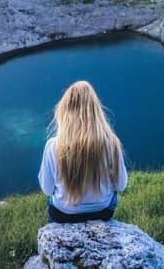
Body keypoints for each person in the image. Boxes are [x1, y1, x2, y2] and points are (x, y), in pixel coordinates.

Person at [38, 80, 128, 223]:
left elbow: (47, 189)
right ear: (96, 110)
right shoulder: (111, 142)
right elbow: (121, 185)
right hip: (102, 212)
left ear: (64, 112)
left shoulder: (53, 146)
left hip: (63, 213)